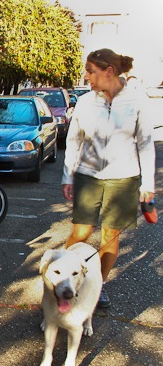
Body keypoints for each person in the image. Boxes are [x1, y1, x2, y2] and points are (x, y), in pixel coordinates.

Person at [61, 48, 156, 309]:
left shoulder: (136, 100)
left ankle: (97, 286)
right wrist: (68, 175)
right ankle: (64, 276)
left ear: (109, 71)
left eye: (91, 71)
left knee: (110, 236)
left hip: (124, 178)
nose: (87, 76)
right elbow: (74, 140)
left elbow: (145, 143)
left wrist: (147, 184)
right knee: (81, 231)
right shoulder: (86, 102)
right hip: (88, 175)